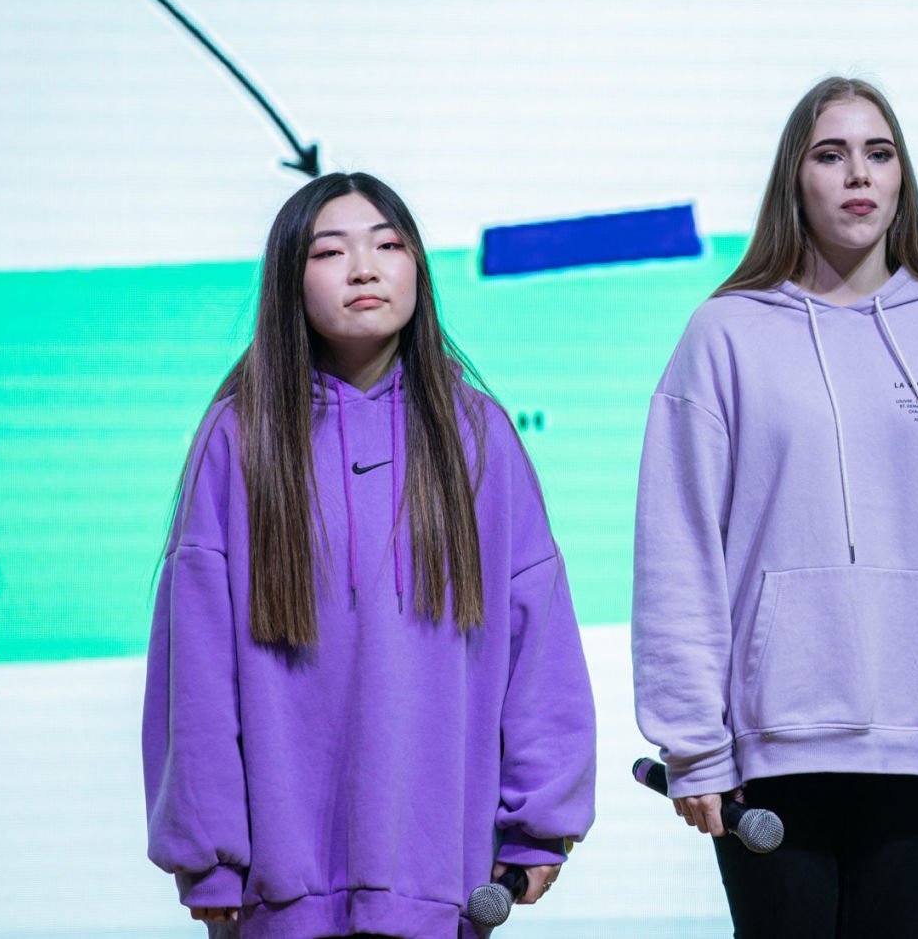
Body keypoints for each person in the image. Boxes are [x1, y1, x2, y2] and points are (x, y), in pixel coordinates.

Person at [631, 76, 918, 938]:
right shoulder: (725, 333)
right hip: (773, 744)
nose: (858, 173)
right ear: (796, 177)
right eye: (831, 154)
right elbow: (679, 548)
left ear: (901, 179)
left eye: (879, 153)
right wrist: (693, 739)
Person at [142, 172, 595, 939]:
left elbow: (538, 638)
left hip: (440, 892)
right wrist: (209, 848)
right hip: (275, 900)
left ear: (417, 267)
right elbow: (196, 663)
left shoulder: (478, 435)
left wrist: (539, 818)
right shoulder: (238, 437)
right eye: (330, 251)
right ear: (289, 279)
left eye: (388, 245)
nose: (363, 268)